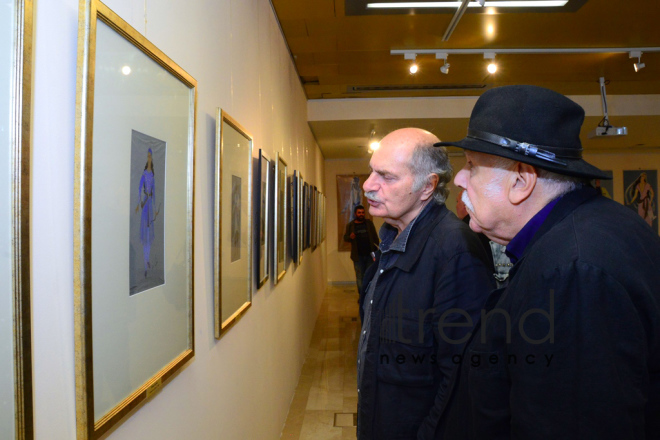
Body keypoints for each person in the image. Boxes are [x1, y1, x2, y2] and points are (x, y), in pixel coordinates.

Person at [434, 85, 660, 439]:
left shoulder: (573, 272)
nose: (460, 179)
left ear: (522, 181)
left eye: (473, 166)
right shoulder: (593, 229)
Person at [356, 128, 495, 439]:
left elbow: (463, 378)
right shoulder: (390, 239)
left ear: (427, 186)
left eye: (387, 177)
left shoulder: (455, 250)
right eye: (371, 172)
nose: (368, 186)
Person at [343, 204, 379, 295]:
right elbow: (345, 238)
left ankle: (368, 296)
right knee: (360, 277)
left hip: (370, 255)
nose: (361, 214)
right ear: (355, 214)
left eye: (363, 212)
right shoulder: (350, 225)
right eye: (359, 213)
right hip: (357, 256)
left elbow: (375, 238)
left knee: (369, 276)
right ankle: (362, 296)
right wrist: (350, 237)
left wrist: (377, 252)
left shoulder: (369, 224)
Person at [135, 148, 159, 278]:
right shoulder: (144, 174)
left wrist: (155, 209)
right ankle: (145, 264)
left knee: (149, 236)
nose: (149, 158)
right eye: (148, 156)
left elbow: (154, 194)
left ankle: (147, 260)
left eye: (151, 156)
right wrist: (139, 204)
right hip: (145, 206)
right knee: (145, 235)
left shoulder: (152, 176)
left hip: (150, 206)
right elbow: (139, 189)